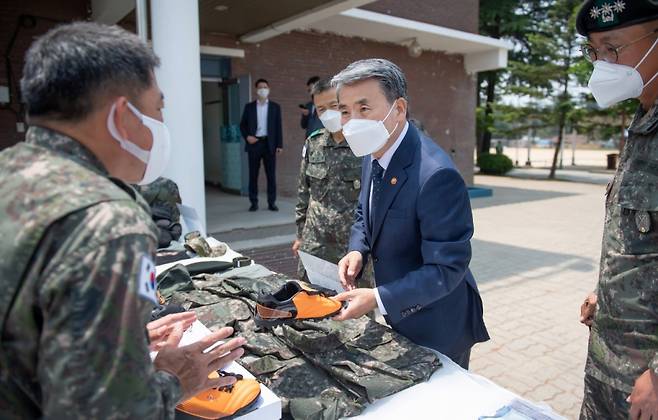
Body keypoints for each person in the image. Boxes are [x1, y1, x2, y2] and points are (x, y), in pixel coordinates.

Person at [0, 22, 245, 418]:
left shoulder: (10, 173)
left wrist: (121, 340)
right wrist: (176, 379)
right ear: (122, 115)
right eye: (158, 107)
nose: (162, 125)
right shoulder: (108, 222)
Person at [331, 58, 489, 369]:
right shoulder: (374, 149)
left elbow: (446, 268)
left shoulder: (435, 175)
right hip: (397, 312)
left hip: (437, 322)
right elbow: (366, 209)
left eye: (364, 109)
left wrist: (377, 298)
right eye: (345, 111)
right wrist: (357, 248)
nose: (352, 122)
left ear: (399, 108)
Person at [576, 2, 658, 419]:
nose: (602, 64)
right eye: (594, 51)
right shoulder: (644, 123)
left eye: (613, 48)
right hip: (610, 359)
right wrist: (605, 291)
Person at [292, 79, 363, 280]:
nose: (328, 113)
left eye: (334, 106)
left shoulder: (364, 143)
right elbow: (303, 193)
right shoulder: (313, 142)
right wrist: (300, 235)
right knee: (311, 301)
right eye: (321, 109)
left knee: (352, 306)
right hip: (315, 243)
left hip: (351, 248)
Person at [240, 78, 283, 212]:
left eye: (265, 87)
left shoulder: (275, 107)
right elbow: (242, 125)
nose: (263, 89)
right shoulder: (249, 107)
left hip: (269, 144)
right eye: (260, 87)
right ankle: (254, 202)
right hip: (255, 144)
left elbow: (278, 127)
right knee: (253, 175)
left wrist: (279, 145)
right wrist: (247, 137)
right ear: (256, 90)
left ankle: (272, 202)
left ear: (268, 89)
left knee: (271, 175)